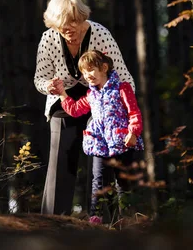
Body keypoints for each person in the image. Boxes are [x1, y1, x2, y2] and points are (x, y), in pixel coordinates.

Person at [34, 0, 135, 216]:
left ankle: (103, 218)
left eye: (74, 25)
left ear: (82, 19)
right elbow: (39, 79)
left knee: (102, 156)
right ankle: (53, 220)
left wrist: (129, 113)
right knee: (61, 152)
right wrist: (48, 86)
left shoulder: (100, 34)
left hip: (99, 98)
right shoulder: (48, 39)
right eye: (63, 28)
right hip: (63, 99)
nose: (69, 32)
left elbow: (124, 77)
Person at [53, 50, 144, 223]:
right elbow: (75, 109)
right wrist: (62, 93)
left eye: (91, 70)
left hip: (122, 141)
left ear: (104, 67)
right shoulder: (91, 94)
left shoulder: (122, 88)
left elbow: (134, 112)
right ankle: (96, 217)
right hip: (99, 143)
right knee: (98, 180)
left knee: (122, 182)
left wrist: (133, 132)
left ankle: (126, 217)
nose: (88, 75)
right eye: (84, 72)